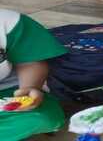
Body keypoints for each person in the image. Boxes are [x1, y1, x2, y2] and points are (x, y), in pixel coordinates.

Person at [0, 8, 67, 141]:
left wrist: (30, 87)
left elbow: (29, 62)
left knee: (43, 119)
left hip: (7, 89)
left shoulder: (10, 21)